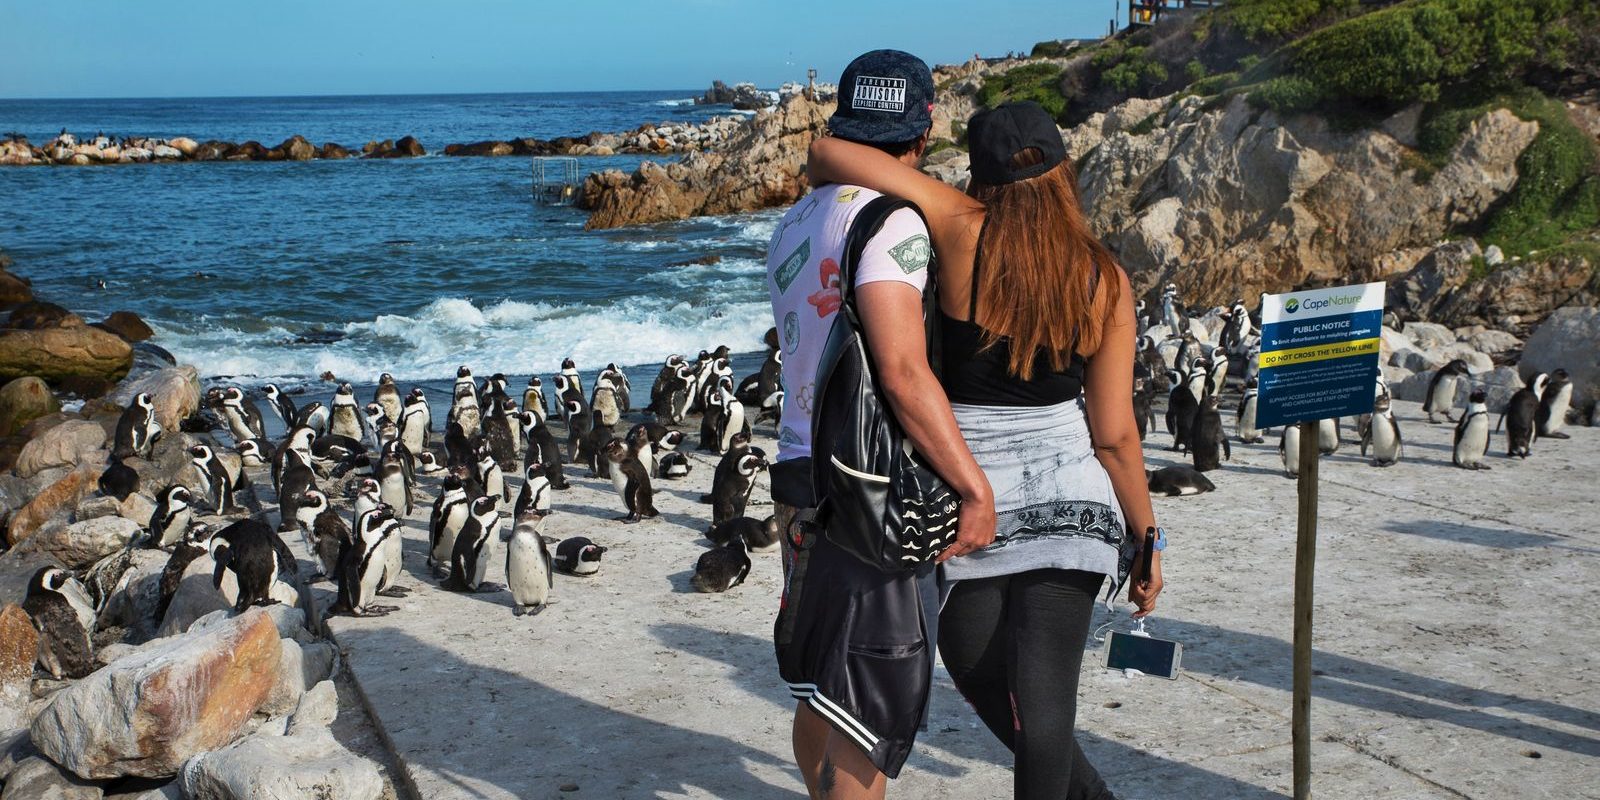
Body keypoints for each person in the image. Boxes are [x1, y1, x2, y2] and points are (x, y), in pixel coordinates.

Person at [808, 100, 1165, 799]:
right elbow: (1116, 435)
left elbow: (825, 156)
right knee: (1035, 702)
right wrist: (1146, 535)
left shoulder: (959, 226)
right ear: (1065, 174)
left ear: (981, 176)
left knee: (1011, 688)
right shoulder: (1105, 277)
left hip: (974, 499)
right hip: (1074, 501)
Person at [767, 50, 997, 799]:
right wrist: (971, 485)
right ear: (922, 132)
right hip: (869, 491)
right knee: (866, 710)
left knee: (816, 687)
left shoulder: (797, 218)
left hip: (799, 471)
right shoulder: (893, 222)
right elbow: (901, 370)